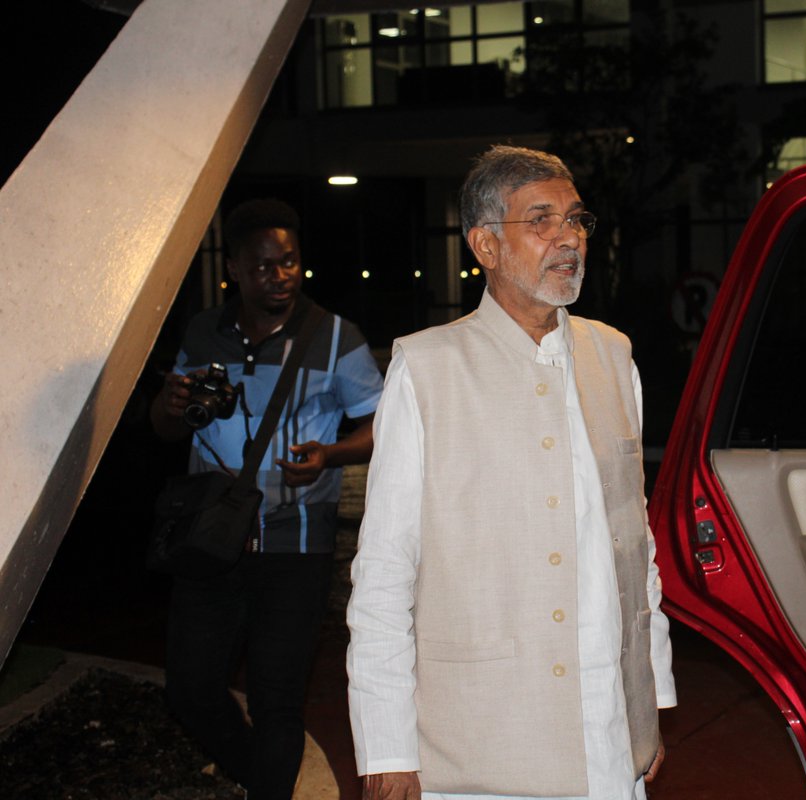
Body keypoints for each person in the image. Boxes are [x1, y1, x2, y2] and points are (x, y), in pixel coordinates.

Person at [346, 145, 676, 800]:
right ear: (485, 245)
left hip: (610, 730)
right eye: (542, 220)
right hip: (480, 747)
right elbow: (384, 570)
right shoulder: (429, 370)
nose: (569, 239)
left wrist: (651, 701)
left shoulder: (613, 357)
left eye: (576, 220)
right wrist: (386, 748)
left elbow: (635, 547)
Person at [150, 198, 384, 799]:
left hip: (296, 544)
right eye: (262, 267)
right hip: (211, 540)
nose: (278, 276)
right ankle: (264, 780)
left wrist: (330, 454)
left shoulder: (336, 338)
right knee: (191, 689)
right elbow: (168, 428)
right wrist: (170, 406)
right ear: (233, 267)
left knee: (279, 700)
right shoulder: (204, 331)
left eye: (289, 262)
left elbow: (384, 425)